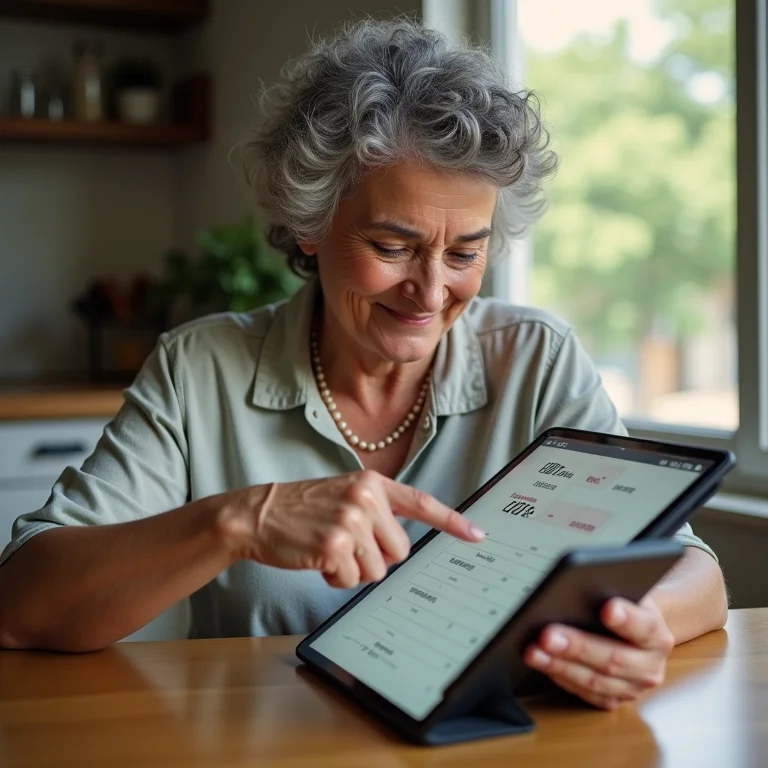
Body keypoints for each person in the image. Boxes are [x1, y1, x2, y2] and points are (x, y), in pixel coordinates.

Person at [0, 19, 726, 712]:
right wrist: (241, 520)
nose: (432, 290)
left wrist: (638, 626)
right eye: (393, 245)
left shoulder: (538, 360)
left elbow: (697, 572)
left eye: (465, 252)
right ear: (311, 226)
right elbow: (23, 604)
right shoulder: (201, 369)